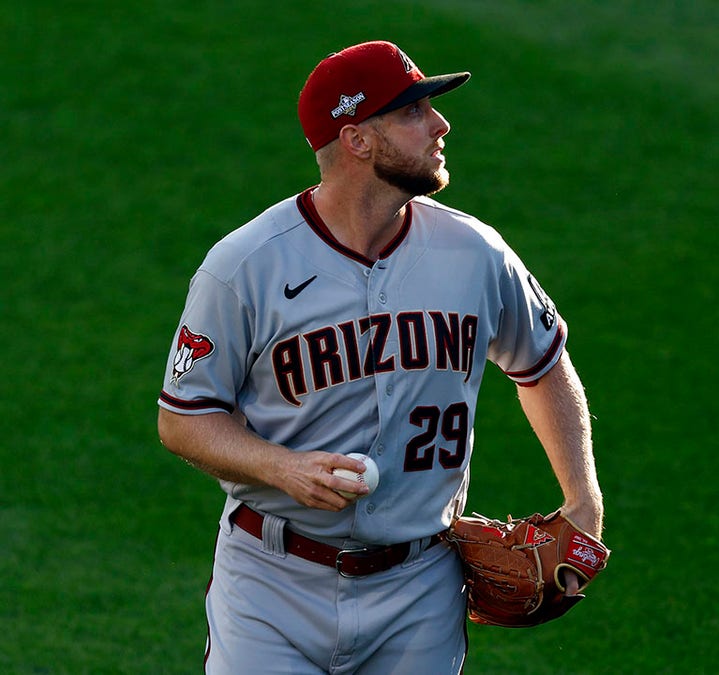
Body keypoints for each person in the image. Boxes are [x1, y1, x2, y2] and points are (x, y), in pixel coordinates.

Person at [157, 40, 604, 674]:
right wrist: (282, 468)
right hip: (271, 584)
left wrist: (583, 502)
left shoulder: (475, 253)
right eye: (413, 111)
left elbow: (544, 363)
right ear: (358, 140)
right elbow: (183, 419)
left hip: (420, 587)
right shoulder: (245, 266)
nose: (441, 125)